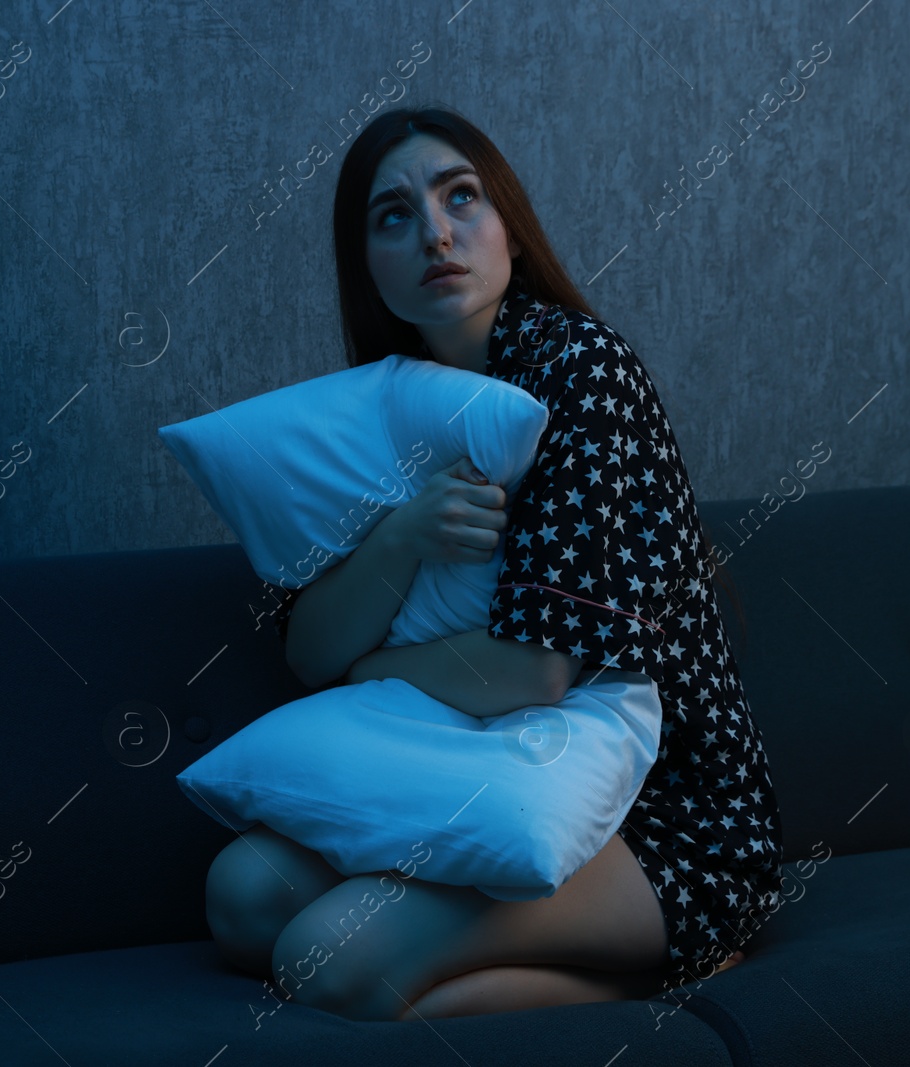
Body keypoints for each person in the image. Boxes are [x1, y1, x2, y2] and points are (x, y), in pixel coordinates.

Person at [205, 105, 785, 1022]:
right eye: (393, 216)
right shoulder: (378, 414)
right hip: (472, 767)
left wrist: (377, 665)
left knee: (327, 959)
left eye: (461, 197)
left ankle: (666, 972)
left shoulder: (581, 372)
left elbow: (531, 673)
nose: (435, 232)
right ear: (367, 264)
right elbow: (307, 654)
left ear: (508, 222)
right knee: (241, 897)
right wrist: (402, 534)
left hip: (669, 823)